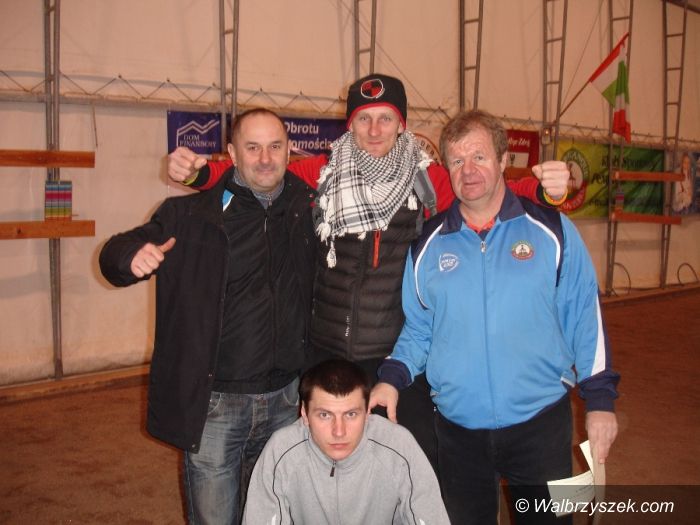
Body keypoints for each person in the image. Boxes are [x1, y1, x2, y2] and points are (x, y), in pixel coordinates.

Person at [167, 73, 571, 471]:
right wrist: (197, 173)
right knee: (325, 465)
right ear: (350, 124)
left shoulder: (428, 179)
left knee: (405, 464)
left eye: (385, 118)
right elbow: (260, 174)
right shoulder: (322, 173)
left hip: (396, 356)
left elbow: (493, 187)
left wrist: (551, 190)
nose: (375, 130)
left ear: (402, 124)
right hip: (325, 350)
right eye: (364, 118)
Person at [370, 110, 620, 524]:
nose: (468, 171)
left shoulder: (553, 231)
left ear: (504, 160)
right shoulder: (427, 245)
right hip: (457, 432)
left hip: (542, 425)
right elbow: (419, 329)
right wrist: (392, 378)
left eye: (479, 157)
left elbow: (584, 317)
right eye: (457, 161)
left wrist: (600, 401)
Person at [99, 108, 317, 524]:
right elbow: (114, 253)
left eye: (275, 147)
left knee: (275, 517)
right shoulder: (191, 215)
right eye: (253, 148)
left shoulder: (307, 209)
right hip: (216, 406)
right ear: (232, 154)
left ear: (289, 151)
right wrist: (129, 257)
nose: (265, 159)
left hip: (286, 402)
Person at [242, 359, 450, 525]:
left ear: (367, 412)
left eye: (351, 414)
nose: (339, 431)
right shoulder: (281, 451)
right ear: (304, 413)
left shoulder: (399, 447)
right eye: (324, 415)